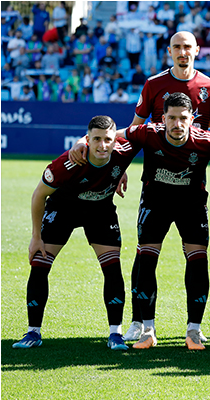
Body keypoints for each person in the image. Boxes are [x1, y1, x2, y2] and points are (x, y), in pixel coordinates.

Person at [121, 92, 210, 350]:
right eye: (171, 118)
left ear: (192, 119)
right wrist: (87, 146)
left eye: (182, 118)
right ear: (163, 118)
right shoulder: (149, 133)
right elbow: (114, 138)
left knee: (198, 262)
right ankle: (147, 329)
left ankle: (194, 330)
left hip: (191, 207)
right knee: (146, 260)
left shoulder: (204, 140)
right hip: (155, 205)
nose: (177, 124)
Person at [12, 115, 138, 351]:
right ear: (87, 140)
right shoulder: (67, 164)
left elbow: (142, 132)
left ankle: (116, 334)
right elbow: (39, 195)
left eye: (107, 140)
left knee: (112, 267)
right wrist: (35, 237)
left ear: (115, 141)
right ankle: (33, 332)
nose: (102, 145)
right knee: (39, 264)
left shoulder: (124, 151)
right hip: (63, 209)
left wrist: (120, 170)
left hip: (100, 211)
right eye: (96, 140)